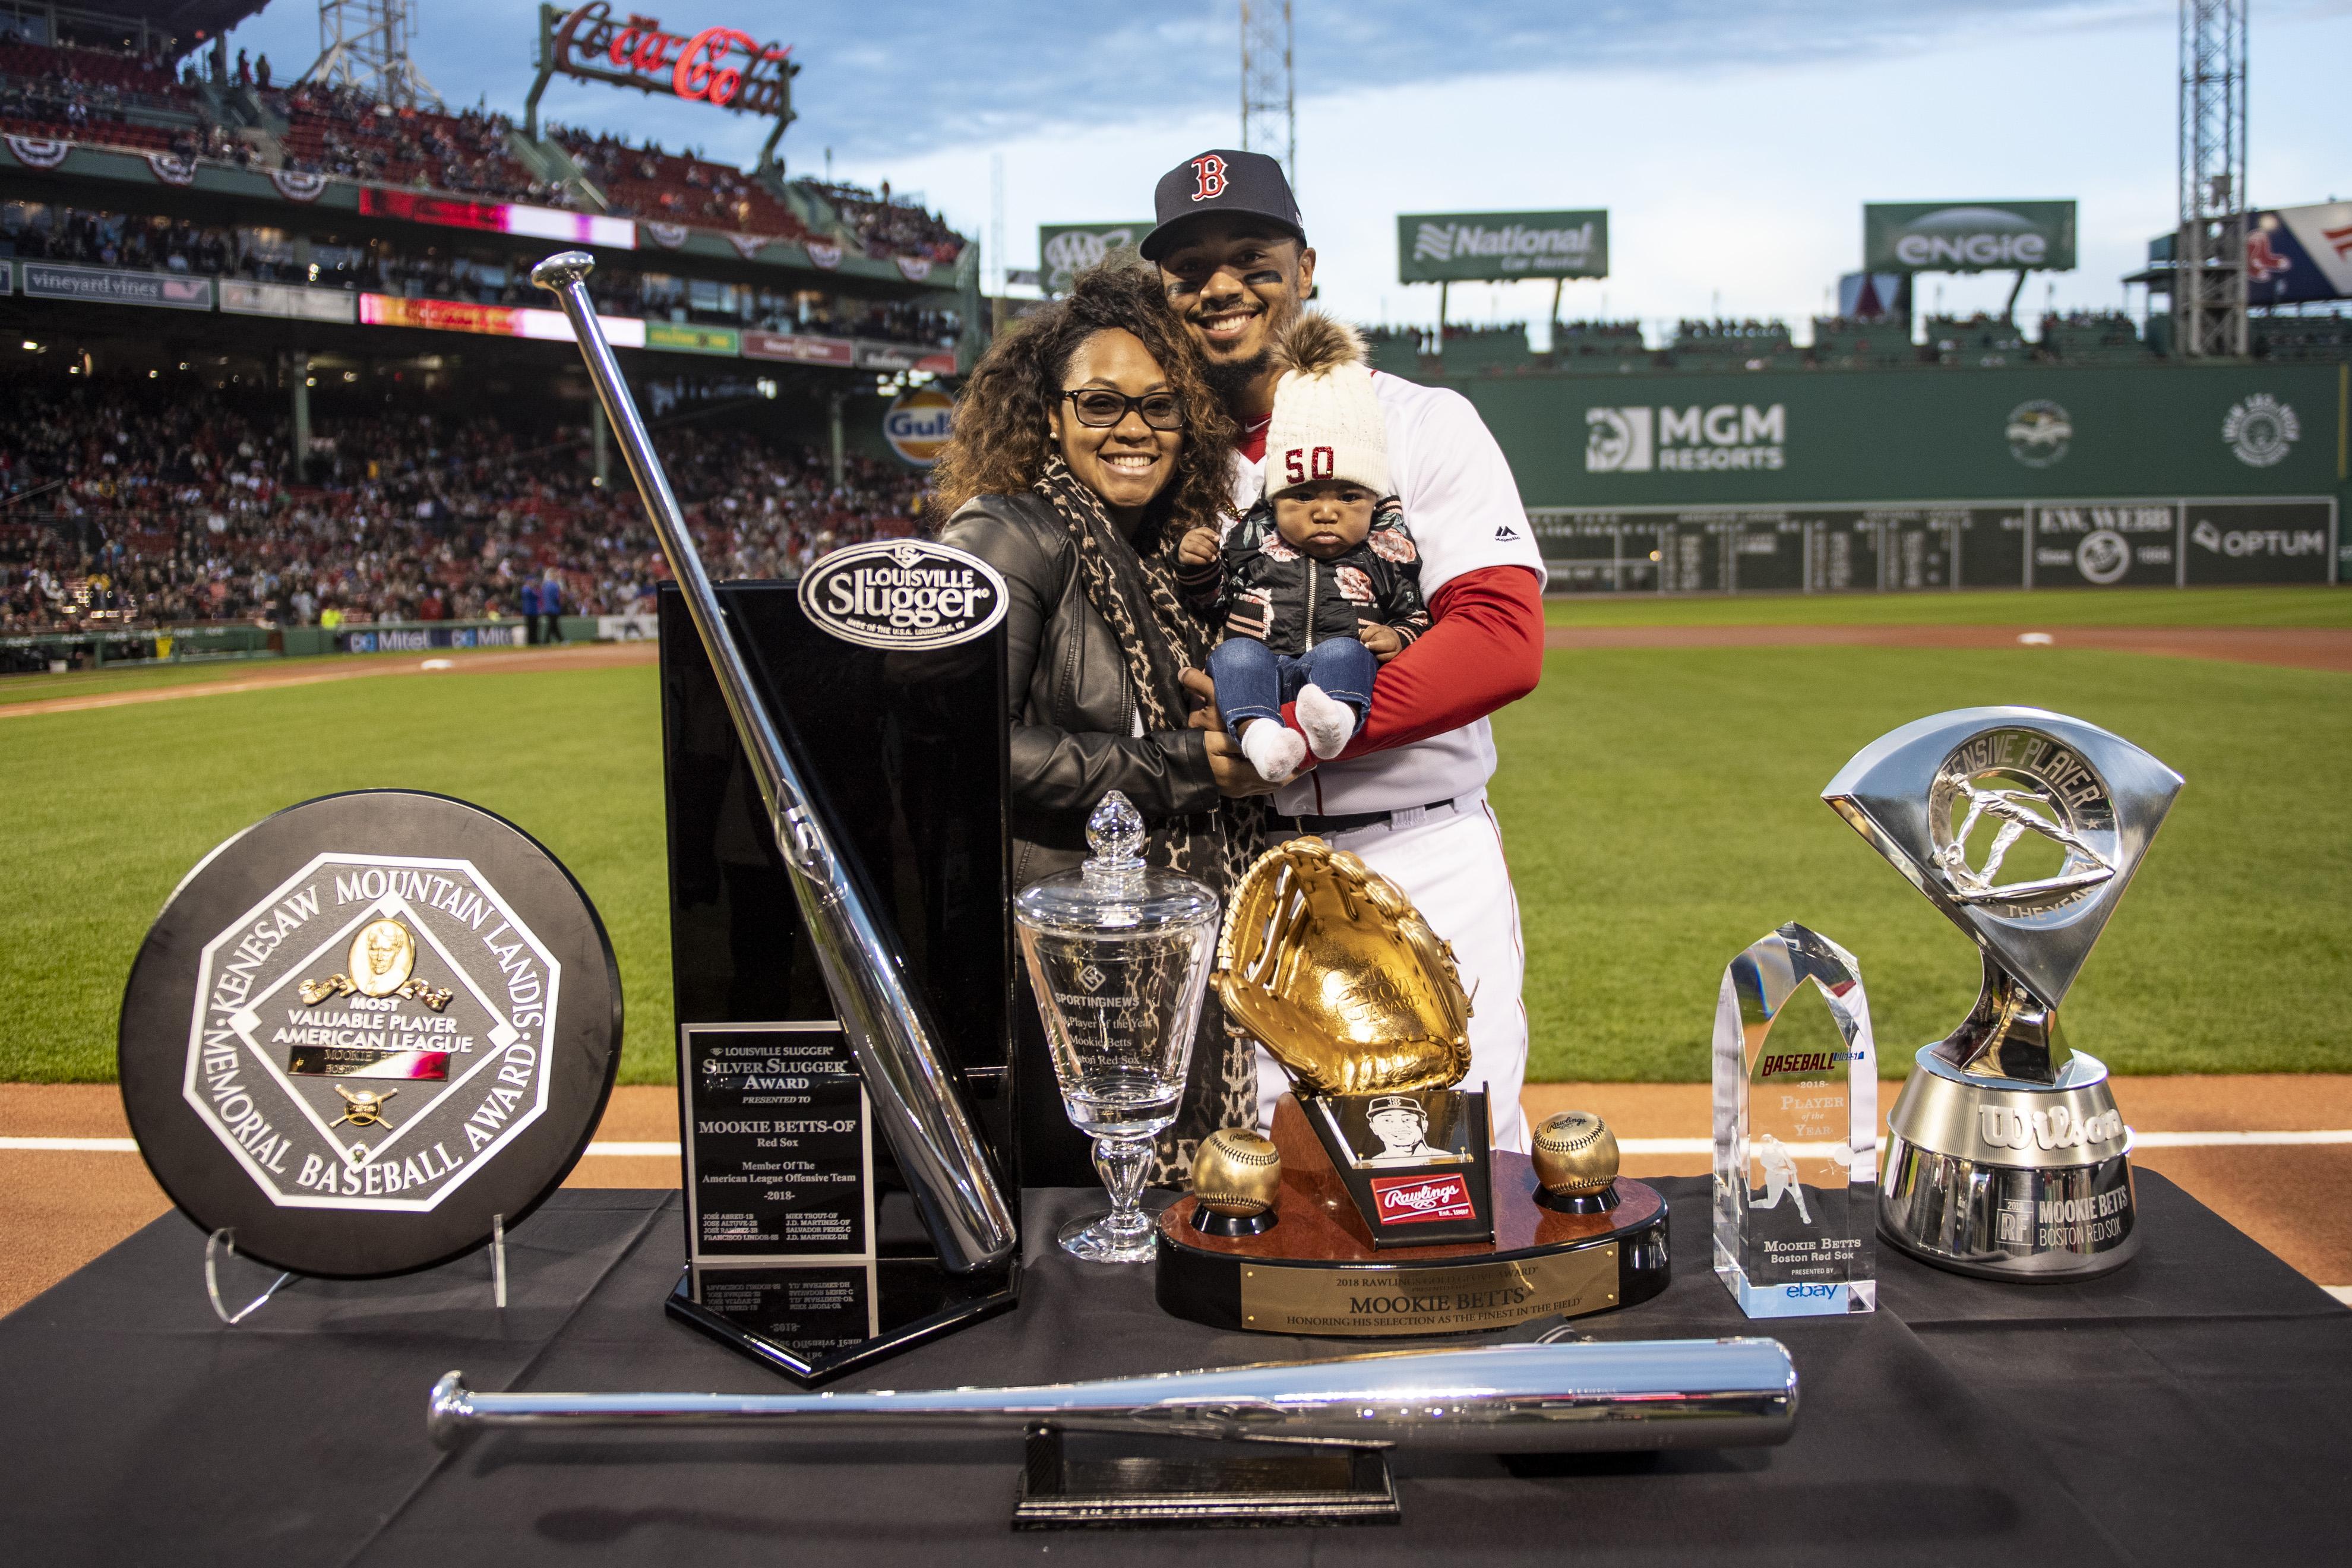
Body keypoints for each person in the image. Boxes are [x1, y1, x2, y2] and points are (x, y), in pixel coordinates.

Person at [1143, 148, 1548, 1151]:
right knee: (1254, 1186)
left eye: (1250, 255)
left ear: (1307, 266)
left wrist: (1289, 730)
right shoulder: (1155, 461)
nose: (1220, 284)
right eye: (1189, 267)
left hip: (1420, 851)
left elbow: (1500, 638)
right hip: (1234, 870)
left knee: (1458, 1171)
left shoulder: (1419, 422)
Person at [931, 263, 1272, 1186]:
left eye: (1159, 407)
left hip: (1141, 942)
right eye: (1100, 404)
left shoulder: (1165, 553)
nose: (1133, 430)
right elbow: (961, 748)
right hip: (1050, 961)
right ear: (1049, 414)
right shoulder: (1009, 530)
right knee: (1068, 1222)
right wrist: (1182, 766)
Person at [1177, 314, 1427, 783]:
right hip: (1262, 665)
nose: (1326, 511)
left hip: (1329, 675)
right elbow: (1214, 601)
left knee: (1348, 655)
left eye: (1349, 497)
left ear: (1375, 500)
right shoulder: (1254, 541)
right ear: (1275, 499)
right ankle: (1261, 738)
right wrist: (1198, 565)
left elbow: (1413, 612)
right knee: (1234, 656)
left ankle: (1337, 725)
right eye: (1304, 495)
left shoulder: (1384, 550)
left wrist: (1398, 638)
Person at [517, 573, 542, 644]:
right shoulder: (526, 589)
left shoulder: (531, 589)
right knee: (531, 628)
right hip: (529, 611)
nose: (533, 582)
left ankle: (535, 640)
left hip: (534, 611)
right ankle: (531, 641)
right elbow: (535, 596)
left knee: (535, 627)